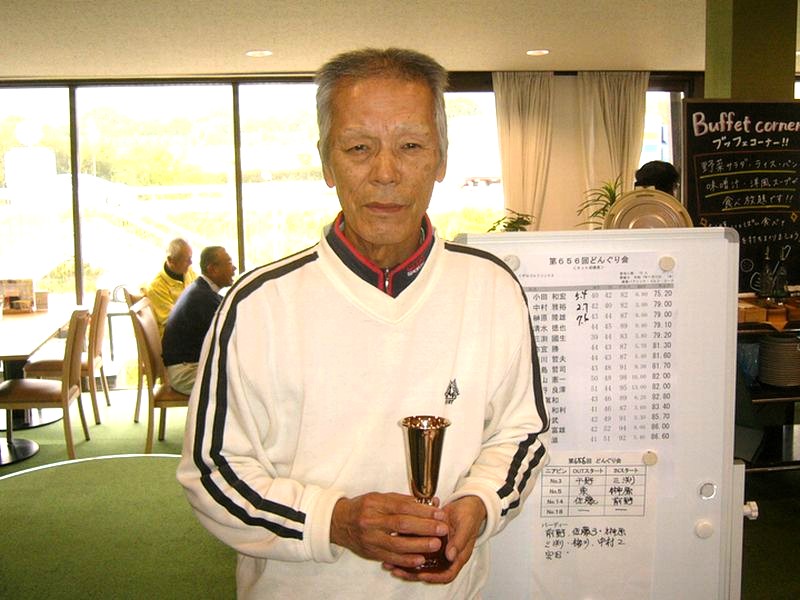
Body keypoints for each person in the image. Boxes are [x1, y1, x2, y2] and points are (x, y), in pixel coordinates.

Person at [177, 47, 549, 599]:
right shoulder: (258, 305)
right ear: (327, 163)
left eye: (411, 146)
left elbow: (521, 433)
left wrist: (481, 503)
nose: (386, 173)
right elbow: (211, 472)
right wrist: (336, 522)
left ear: (441, 159)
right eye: (358, 148)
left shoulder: (491, 288)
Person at [161, 246, 236, 395]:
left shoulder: (202, 290)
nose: (234, 268)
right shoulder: (203, 298)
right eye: (229, 263)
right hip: (186, 373)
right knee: (242, 385)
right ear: (212, 269)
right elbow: (230, 338)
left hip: (189, 366)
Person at [146, 238, 197, 336]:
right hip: (175, 337)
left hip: (190, 328)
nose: (191, 263)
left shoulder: (188, 271)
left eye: (191, 258)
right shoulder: (156, 286)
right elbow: (172, 321)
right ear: (171, 260)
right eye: (187, 260)